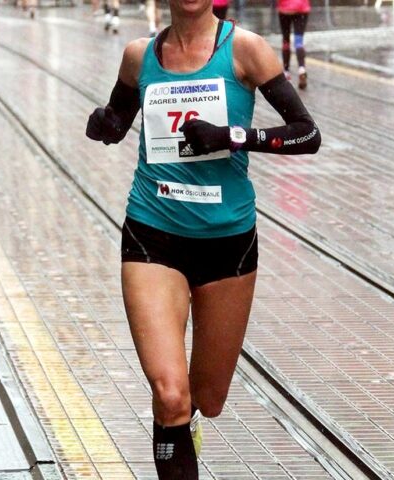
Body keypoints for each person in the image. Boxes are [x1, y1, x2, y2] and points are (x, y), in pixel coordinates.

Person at [85, 0, 321, 476]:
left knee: (206, 400)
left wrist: (233, 136)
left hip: (228, 243)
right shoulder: (139, 57)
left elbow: (307, 134)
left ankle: (182, 429)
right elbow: (117, 120)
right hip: (153, 235)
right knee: (170, 393)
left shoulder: (246, 50)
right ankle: (174, 431)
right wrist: (104, 126)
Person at [277, 0, 311, 89]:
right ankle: (301, 69)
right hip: (301, 8)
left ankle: (286, 72)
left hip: (285, 8)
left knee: (286, 41)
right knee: (299, 41)